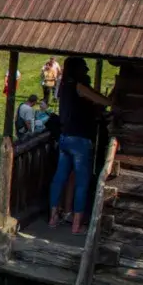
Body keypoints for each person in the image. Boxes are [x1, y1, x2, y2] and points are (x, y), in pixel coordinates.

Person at [49, 56, 112, 234]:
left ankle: (53, 217)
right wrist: (112, 102)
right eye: (84, 68)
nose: (87, 72)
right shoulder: (77, 86)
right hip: (80, 140)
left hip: (65, 137)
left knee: (60, 178)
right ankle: (77, 225)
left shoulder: (64, 87)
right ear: (77, 69)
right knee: (82, 182)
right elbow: (99, 100)